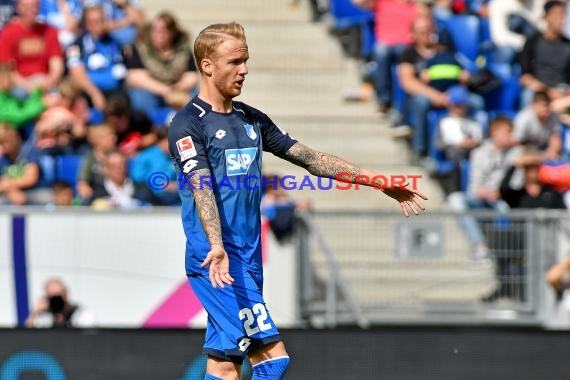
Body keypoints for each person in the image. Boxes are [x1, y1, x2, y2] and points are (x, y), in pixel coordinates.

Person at [168, 22, 427, 380]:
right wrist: (216, 244)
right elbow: (201, 187)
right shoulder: (187, 125)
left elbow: (311, 159)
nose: (244, 70)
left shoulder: (251, 119)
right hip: (217, 263)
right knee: (272, 359)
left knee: (225, 366)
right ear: (207, 65)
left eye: (246, 61)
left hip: (247, 258)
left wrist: (377, 180)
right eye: (234, 62)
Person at [0, 0, 64, 97]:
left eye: (35, 6)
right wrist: (29, 86)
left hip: (45, 81)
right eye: (27, 6)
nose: (32, 10)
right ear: (18, 7)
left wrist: (48, 83)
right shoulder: (8, 33)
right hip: (20, 84)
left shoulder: (49, 31)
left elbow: (57, 66)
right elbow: (7, 70)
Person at [519, 0, 570, 106]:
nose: (561, 19)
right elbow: (525, 77)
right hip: (540, 93)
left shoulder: (568, 45)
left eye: (563, 15)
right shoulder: (533, 41)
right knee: (528, 95)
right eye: (557, 14)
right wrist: (548, 91)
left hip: (563, 95)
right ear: (547, 17)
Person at [25, 277, 95, 327]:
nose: (57, 300)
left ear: (66, 294)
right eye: (52, 296)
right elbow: (27, 336)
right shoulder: (44, 318)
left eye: (59, 294)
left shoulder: (82, 314)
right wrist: (35, 312)